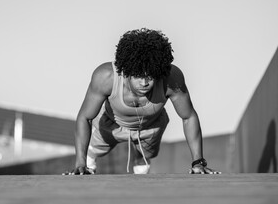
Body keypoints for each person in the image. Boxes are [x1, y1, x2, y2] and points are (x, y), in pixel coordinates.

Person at [65, 28, 220, 175]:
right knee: (92, 152)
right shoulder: (106, 77)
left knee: (143, 162)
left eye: (150, 76)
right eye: (139, 76)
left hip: (150, 127)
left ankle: (139, 157)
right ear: (126, 71)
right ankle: (90, 158)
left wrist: (198, 162)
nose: (145, 83)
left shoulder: (172, 78)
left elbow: (188, 117)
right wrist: (80, 163)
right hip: (111, 124)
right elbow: (85, 117)